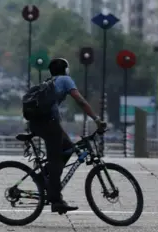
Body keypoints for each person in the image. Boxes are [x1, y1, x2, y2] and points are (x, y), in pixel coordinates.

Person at [28, 57, 107, 214]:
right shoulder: (65, 79)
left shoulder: (49, 82)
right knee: (56, 161)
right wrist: (97, 120)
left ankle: (42, 176)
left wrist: (65, 138)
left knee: (68, 148)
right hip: (46, 124)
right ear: (65, 69)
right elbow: (81, 101)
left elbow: (54, 119)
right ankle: (56, 200)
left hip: (41, 123)